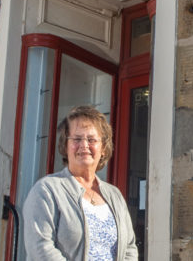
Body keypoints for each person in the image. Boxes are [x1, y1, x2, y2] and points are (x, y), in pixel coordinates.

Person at [23, 105, 138, 260]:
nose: (84, 145)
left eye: (91, 140)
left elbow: (129, 248)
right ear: (66, 145)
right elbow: (40, 248)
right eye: (77, 139)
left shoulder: (114, 195)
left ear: (103, 147)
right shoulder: (46, 190)